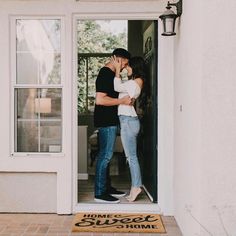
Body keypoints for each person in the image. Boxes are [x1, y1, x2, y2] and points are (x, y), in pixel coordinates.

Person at [94, 48, 132, 203]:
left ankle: (106, 187)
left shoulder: (111, 74)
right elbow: (100, 100)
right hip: (105, 120)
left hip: (110, 120)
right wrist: (121, 102)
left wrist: (129, 72)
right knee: (105, 156)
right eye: (123, 62)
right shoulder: (105, 74)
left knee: (106, 156)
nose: (123, 66)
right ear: (116, 58)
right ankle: (100, 193)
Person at [111, 55, 145, 202]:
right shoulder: (132, 82)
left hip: (128, 121)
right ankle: (135, 186)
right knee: (130, 157)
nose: (126, 68)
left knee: (131, 157)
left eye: (128, 65)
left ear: (135, 67)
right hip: (127, 120)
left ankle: (136, 186)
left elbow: (116, 86)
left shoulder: (137, 81)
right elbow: (122, 87)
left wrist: (117, 70)